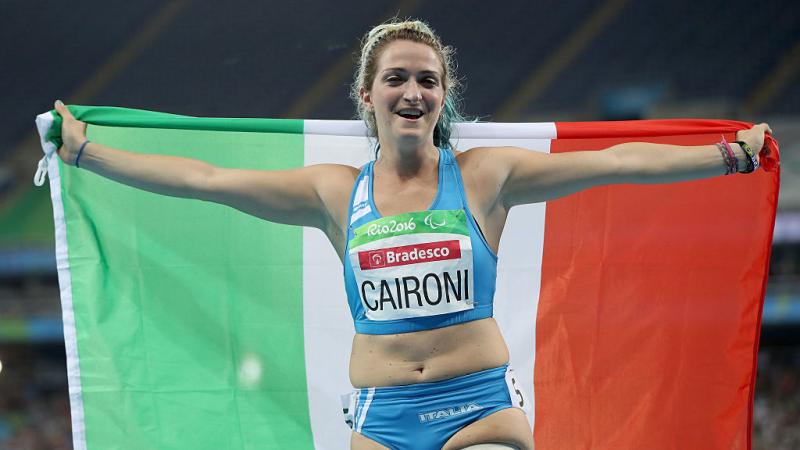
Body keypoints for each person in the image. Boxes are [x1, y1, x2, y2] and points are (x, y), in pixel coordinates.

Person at [54, 19, 771, 450]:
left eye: (427, 80)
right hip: (381, 416)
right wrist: (87, 153)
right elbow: (204, 181)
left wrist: (727, 155)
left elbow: (617, 162)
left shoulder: (488, 177)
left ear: (442, 95)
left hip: (479, 408)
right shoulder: (335, 193)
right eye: (396, 78)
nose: (413, 92)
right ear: (367, 96)